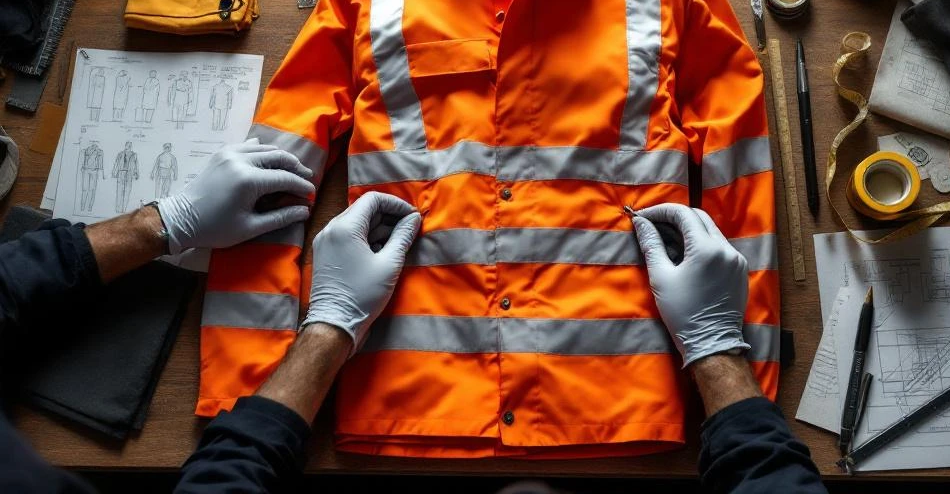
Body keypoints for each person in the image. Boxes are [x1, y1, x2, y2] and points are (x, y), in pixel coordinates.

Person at [0, 142, 826, 493]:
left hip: (620, 403)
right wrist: (729, 357)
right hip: (407, 399)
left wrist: (164, 226)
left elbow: (741, 149)